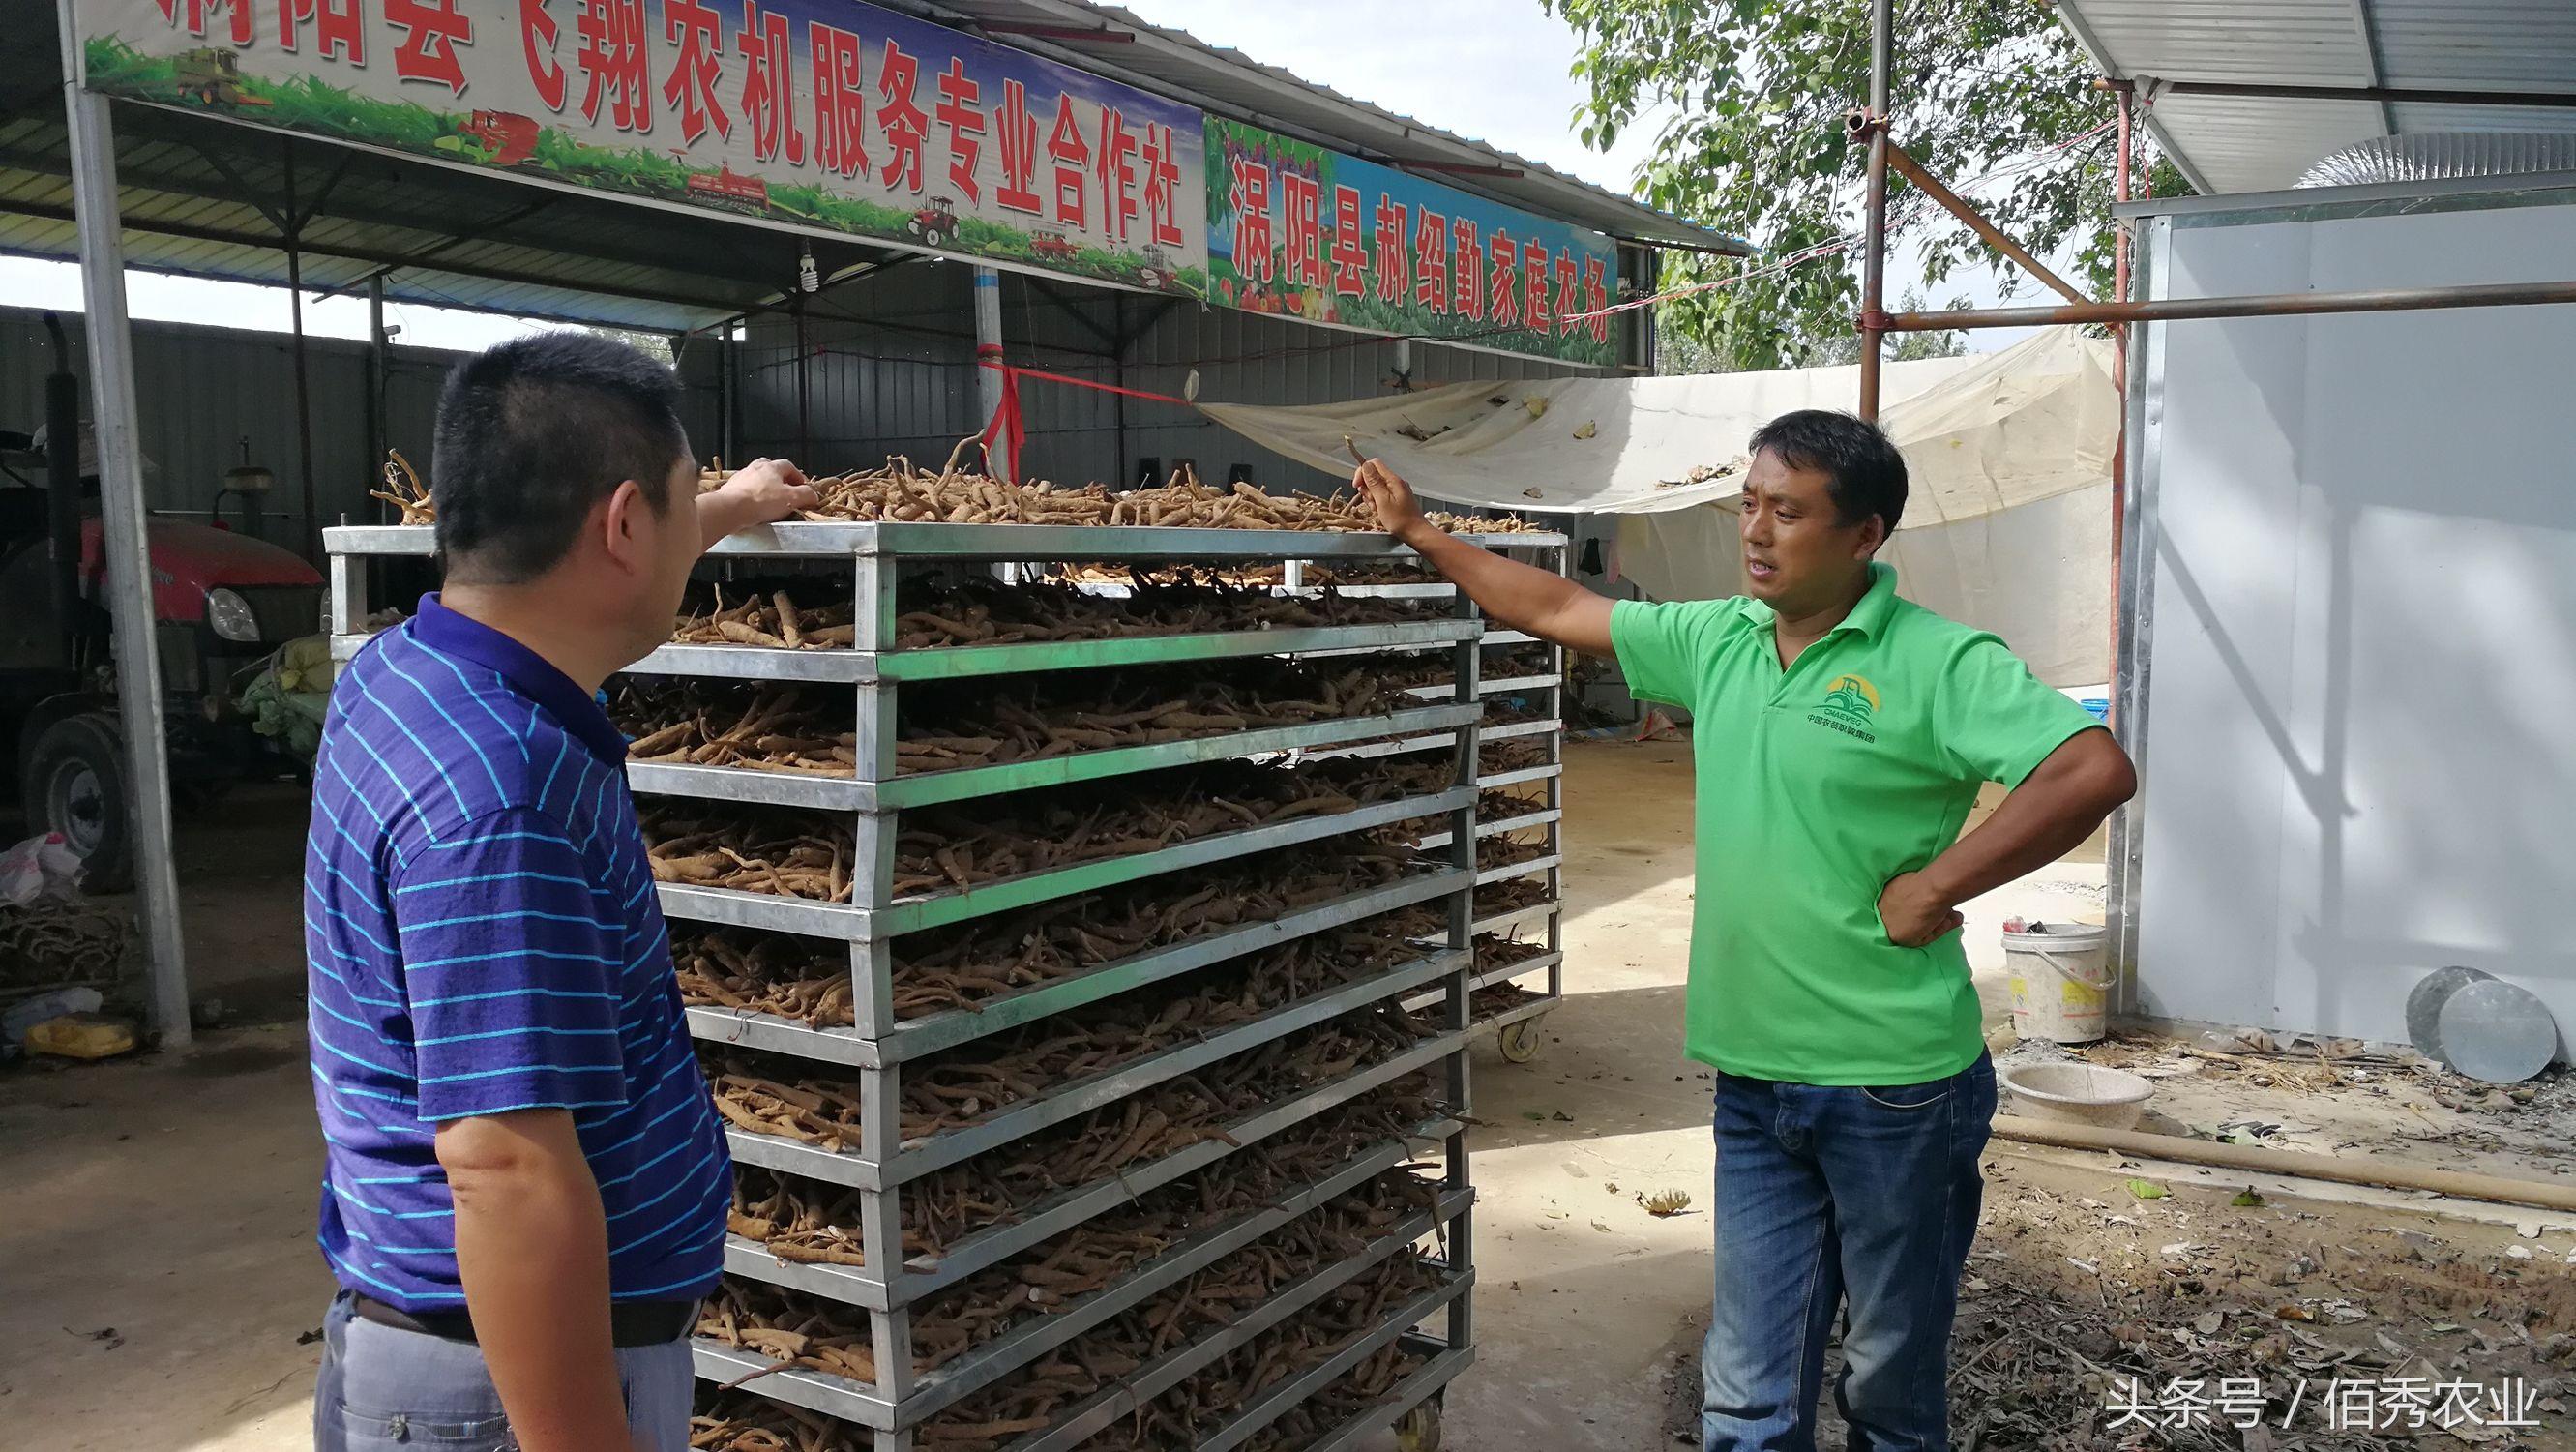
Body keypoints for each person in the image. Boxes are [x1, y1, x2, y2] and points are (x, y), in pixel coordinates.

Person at [1356, 409, 2136, 1452]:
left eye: (1789, 512)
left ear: (1862, 537)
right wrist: (1421, 533)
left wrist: (1940, 880)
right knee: (1746, 1397)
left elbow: (2090, 768)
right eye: (1749, 505)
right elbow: (1553, 604)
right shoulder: (1715, 639)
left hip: (1892, 1085)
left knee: (1888, 1378)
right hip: (1755, 1079)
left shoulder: (1938, 662)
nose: (1757, 532)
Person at [303, 332, 817, 1452]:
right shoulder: (506, 798)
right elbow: (502, 1168)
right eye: (681, 508)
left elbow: (592, 584)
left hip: (435, 1337)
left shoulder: (408, 670)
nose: (695, 527)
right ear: (624, 525)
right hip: (502, 1380)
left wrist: (725, 504)